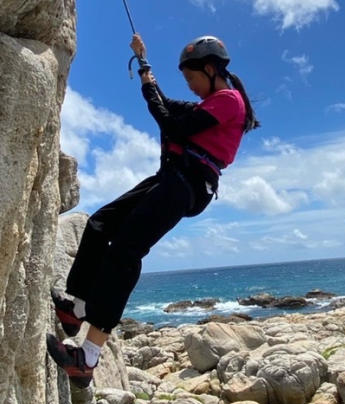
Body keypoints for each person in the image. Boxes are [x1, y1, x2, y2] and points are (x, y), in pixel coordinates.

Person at [47, 34, 259, 386]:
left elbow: (171, 124)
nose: (191, 88)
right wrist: (145, 67)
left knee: (126, 251)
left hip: (186, 184)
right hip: (170, 177)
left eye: (192, 79)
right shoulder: (210, 103)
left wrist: (149, 90)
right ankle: (78, 309)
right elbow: (168, 105)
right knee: (100, 224)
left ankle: (87, 356)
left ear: (210, 69)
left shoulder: (228, 101)